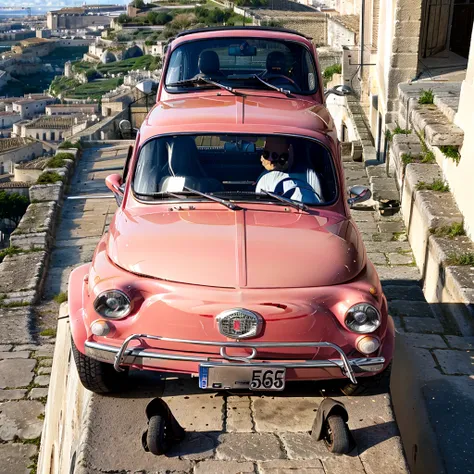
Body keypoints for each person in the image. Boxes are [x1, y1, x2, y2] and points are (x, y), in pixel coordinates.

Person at [255, 137, 323, 204]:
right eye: (266, 154)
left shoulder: (310, 175)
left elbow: (316, 203)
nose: (270, 159)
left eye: (274, 155)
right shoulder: (264, 178)